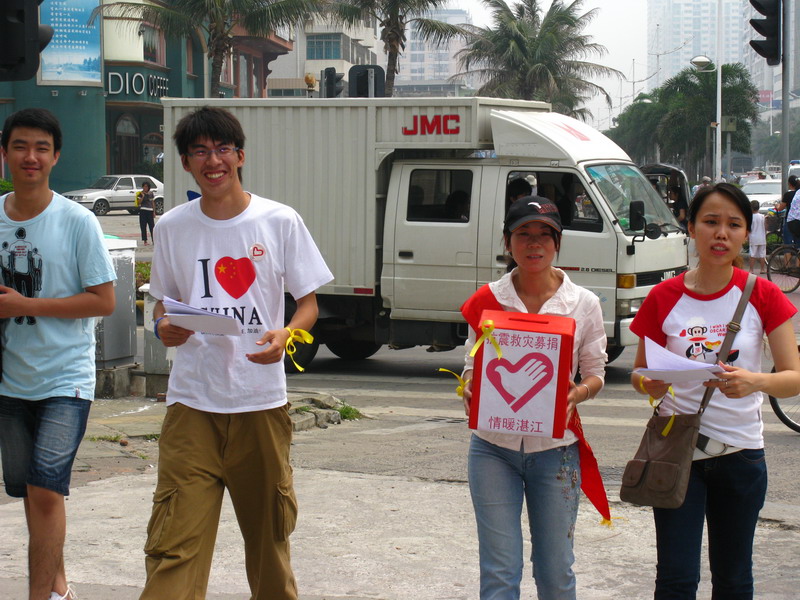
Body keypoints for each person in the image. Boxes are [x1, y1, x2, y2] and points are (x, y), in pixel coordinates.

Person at [140, 106, 333, 600]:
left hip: (260, 404)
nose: (213, 161)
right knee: (175, 544)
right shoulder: (172, 227)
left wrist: (286, 334)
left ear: (240, 156)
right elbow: (163, 301)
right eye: (200, 152)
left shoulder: (279, 220)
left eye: (223, 149)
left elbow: (308, 304)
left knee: (270, 545)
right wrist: (162, 326)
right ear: (185, 162)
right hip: (191, 405)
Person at [630, 182, 800, 599]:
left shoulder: (763, 294)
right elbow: (638, 374)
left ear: (746, 233)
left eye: (733, 225)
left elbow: (793, 377)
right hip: (675, 453)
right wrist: (649, 382)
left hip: (741, 456)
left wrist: (755, 381)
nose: (721, 233)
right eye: (710, 222)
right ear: (691, 227)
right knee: (675, 579)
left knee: (734, 578)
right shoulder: (663, 296)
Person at [459, 197, 609, 599]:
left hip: (556, 451)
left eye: (545, 234)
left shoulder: (583, 304)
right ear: (507, 241)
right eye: (523, 233)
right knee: (500, 570)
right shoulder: (487, 300)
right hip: (492, 450)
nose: (534, 243)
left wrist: (578, 392)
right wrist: (469, 386)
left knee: (556, 570)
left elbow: (596, 373)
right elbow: (473, 362)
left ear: (558, 242)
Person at [0, 108, 116, 600]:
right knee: (31, 492)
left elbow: (104, 301)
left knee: (46, 489)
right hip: (9, 379)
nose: (31, 156)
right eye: (21, 146)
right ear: (4, 153)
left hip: (66, 380)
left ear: (56, 156)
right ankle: (60, 586)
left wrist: (27, 305)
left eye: (41, 148)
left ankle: (39, 596)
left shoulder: (77, 221)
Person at [748, 200, 767, 274]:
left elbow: (749, 229)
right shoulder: (763, 216)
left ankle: (751, 270)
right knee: (762, 255)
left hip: (753, 238)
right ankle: (762, 269)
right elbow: (765, 227)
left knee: (752, 254)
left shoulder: (750, 218)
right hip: (762, 238)